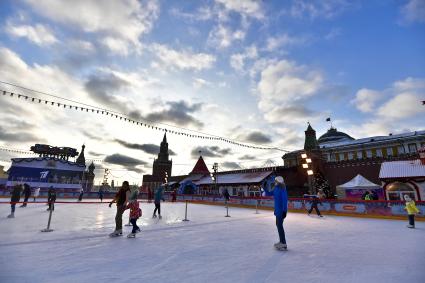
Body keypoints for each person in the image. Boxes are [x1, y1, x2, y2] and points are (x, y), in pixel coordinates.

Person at [271, 176, 288, 251]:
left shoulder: (282, 189)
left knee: (279, 226)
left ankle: (283, 243)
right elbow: (269, 193)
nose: (274, 182)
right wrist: (264, 187)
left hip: (281, 211)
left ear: (278, 181)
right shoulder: (276, 188)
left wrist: (284, 211)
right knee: (278, 225)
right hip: (277, 210)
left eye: (275, 181)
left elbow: (285, 201)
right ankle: (282, 241)